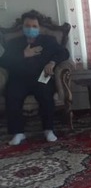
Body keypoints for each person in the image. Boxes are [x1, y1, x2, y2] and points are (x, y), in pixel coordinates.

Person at [0, 11, 69, 145]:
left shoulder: (48, 40)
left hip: (41, 77)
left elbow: (64, 53)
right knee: (12, 95)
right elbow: (3, 61)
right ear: (23, 27)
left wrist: (52, 63)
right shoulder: (14, 43)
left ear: (39, 28)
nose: (31, 29)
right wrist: (23, 54)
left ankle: (48, 130)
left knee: (46, 94)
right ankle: (18, 133)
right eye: (28, 26)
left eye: (34, 26)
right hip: (19, 79)